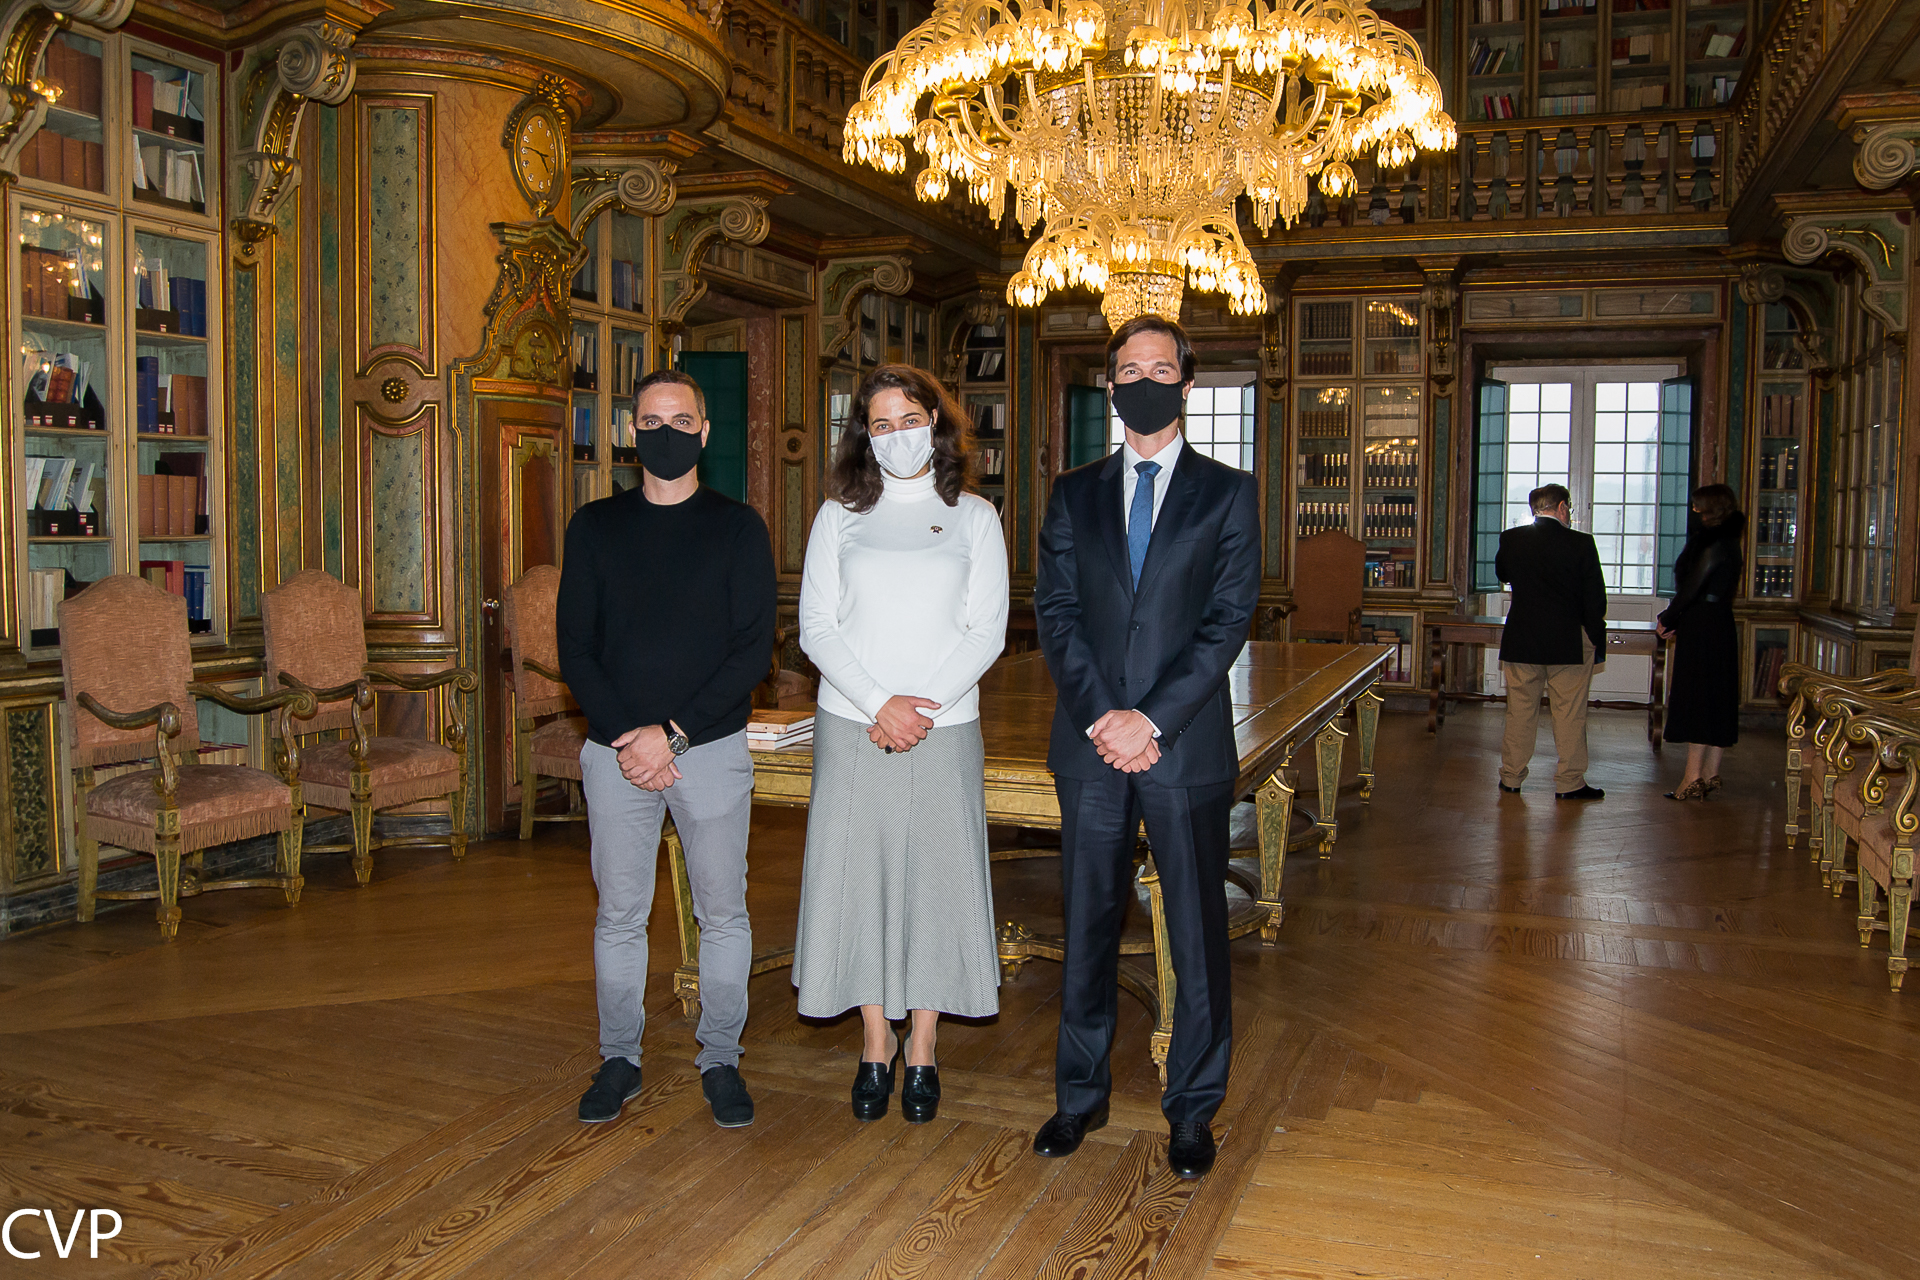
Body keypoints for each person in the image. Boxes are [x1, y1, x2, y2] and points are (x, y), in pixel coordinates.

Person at [1031, 315, 1261, 1181]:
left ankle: (1193, 1108)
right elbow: (1057, 612)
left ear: (1187, 384)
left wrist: (1150, 720)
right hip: (1090, 744)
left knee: (1196, 930)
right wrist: (1104, 715)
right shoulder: (1073, 492)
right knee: (1087, 921)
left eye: (1161, 369)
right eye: (1129, 370)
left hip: (1183, 746)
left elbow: (1226, 621)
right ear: (1110, 385)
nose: (1145, 383)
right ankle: (1078, 1095)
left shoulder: (1229, 492)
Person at [558, 369, 776, 1128]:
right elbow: (576, 648)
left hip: (708, 748)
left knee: (723, 913)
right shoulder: (594, 526)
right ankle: (619, 1057)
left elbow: (752, 652)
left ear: (704, 433)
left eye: (682, 421)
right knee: (620, 915)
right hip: (616, 750)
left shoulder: (739, 528)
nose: (666, 433)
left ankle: (721, 1058)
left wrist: (672, 733)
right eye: (651, 421)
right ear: (631, 433)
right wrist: (633, 737)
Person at [794, 364, 1009, 1125]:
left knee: (937, 884)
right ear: (864, 435)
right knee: (858, 881)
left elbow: (987, 630)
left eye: (909, 419)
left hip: (943, 731)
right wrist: (879, 704)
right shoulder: (838, 516)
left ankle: (923, 1044)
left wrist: (919, 709)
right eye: (880, 425)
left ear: (936, 422)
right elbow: (816, 627)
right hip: (854, 726)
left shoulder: (975, 517)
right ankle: (874, 1040)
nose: (896, 436)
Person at [1495, 483, 1608, 801]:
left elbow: (1503, 574)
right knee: (1570, 713)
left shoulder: (1511, 538)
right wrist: (1593, 635)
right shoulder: (1582, 543)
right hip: (1568, 640)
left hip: (1522, 638)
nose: (1569, 513)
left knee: (1519, 711)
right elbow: (1595, 599)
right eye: (1569, 508)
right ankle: (1570, 783)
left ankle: (1511, 777)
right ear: (1561, 507)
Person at [1656, 484, 1745, 799]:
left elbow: (1693, 587)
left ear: (1710, 509)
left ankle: (1691, 777)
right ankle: (1710, 772)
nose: (1693, 511)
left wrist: (1668, 618)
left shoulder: (1713, 543)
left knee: (1699, 697)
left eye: (1697, 506)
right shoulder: (1731, 541)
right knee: (1718, 695)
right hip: (1719, 621)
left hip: (1703, 625)